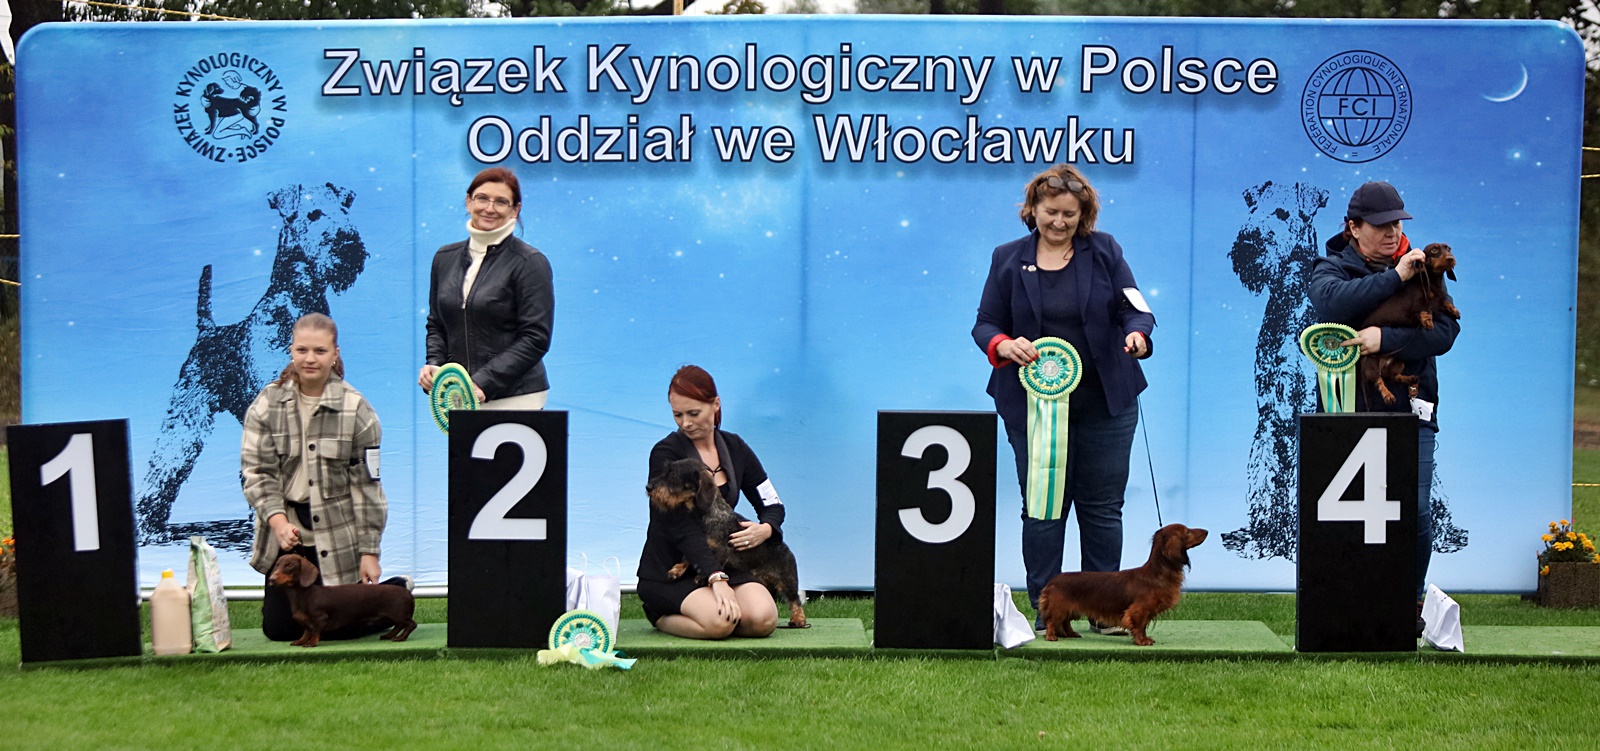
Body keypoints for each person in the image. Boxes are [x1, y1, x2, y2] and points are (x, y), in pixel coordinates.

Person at [972, 165, 1156, 633]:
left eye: (1069, 215)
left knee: (1102, 507)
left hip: (1107, 403)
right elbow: (985, 324)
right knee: (1042, 508)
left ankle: (1105, 613)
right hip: (1032, 406)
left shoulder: (1105, 251)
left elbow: (1135, 307)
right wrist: (1003, 345)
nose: (1059, 222)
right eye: (1051, 212)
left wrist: (1138, 335)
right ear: (1032, 210)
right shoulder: (1007, 258)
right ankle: (1048, 608)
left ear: (1084, 215)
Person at [1308, 180, 1458, 625]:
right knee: (1344, 516)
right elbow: (1331, 305)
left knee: (1415, 510)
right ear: (1353, 228)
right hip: (1347, 412)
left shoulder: (1426, 267)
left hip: (1412, 409)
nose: (1393, 233)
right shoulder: (1331, 267)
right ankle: (1347, 606)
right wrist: (1396, 277)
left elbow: (1445, 332)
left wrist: (1384, 339)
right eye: (1380, 225)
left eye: (1397, 224)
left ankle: (1407, 602)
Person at [242, 312, 409, 641]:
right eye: (302, 350)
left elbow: (367, 487)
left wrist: (369, 552)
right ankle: (383, 596)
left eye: (320, 351)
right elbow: (257, 472)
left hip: (337, 534)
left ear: (335, 354)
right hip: (287, 534)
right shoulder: (266, 403)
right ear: (291, 351)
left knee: (334, 627)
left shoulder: (357, 409)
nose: (310, 359)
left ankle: (392, 592)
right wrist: (277, 522)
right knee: (280, 630)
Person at [636, 365, 786, 639]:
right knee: (720, 623)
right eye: (677, 415)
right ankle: (661, 616)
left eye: (693, 413)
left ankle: (711, 614)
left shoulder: (735, 447)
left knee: (763, 620)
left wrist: (766, 529)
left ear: (715, 404)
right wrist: (715, 577)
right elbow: (680, 527)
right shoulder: (665, 452)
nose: (685, 423)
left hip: (723, 562)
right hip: (672, 569)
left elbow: (771, 503)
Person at [420, 167, 555, 410]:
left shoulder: (530, 262)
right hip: (460, 397)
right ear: (469, 201)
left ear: (515, 209)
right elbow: (437, 323)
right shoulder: (444, 257)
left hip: (516, 398)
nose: (490, 208)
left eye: (501, 202)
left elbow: (535, 338)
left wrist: (484, 383)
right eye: (482, 198)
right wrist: (436, 366)